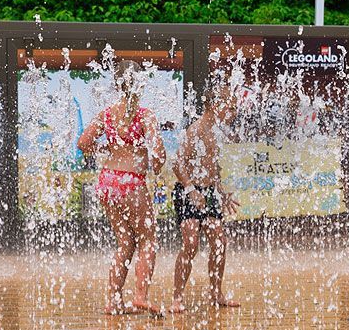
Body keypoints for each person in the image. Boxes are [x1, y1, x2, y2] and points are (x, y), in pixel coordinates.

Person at [77, 60, 166, 315]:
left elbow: (83, 143)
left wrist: (106, 148)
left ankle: (114, 300)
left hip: (108, 182)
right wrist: (157, 163)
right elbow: (157, 151)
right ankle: (140, 296)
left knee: (125, 242)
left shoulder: (106, 114)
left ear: (117, 85)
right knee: (147, 239)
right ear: (140, 84)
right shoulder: (145, 115)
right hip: (132, 183)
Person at [169, 86, 241, 314]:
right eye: (230, 107)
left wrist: (221, 192)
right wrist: (192, 190)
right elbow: (177, 163)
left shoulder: (216, 132)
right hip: (188, 191)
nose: (234, 113)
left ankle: (216, 293)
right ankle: (177, 297)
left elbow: (212, 167)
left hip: (209, 192)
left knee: (220, 243)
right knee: (191, 244)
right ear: (215, 105)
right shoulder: (196, 130)